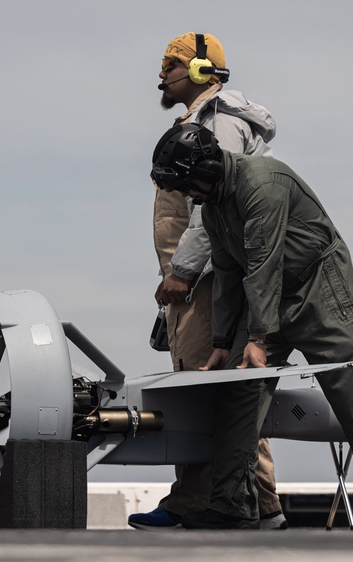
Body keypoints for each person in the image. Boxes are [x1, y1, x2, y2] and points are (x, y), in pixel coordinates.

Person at [149, 123, 353, 531]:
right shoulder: (213, 208)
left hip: (320, 290)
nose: (188, 193)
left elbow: (264, 260)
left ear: (207, 167)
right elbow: (227, 272)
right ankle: (231, 506)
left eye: (188, 183)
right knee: (236, 392)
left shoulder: (264, 183)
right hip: (265, 297)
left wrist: (257, 340)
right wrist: (224, 342)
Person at [128, 32, 286, 531]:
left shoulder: (222, 124)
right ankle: (264, 508)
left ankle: (192, 502)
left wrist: (183, 272)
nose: (161, 75)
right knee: (230, 394)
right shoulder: (201, 121)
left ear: (201, 70)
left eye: (170, 65)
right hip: (195, 282)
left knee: (202, 390)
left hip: (204, 280)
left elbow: (210, 208)